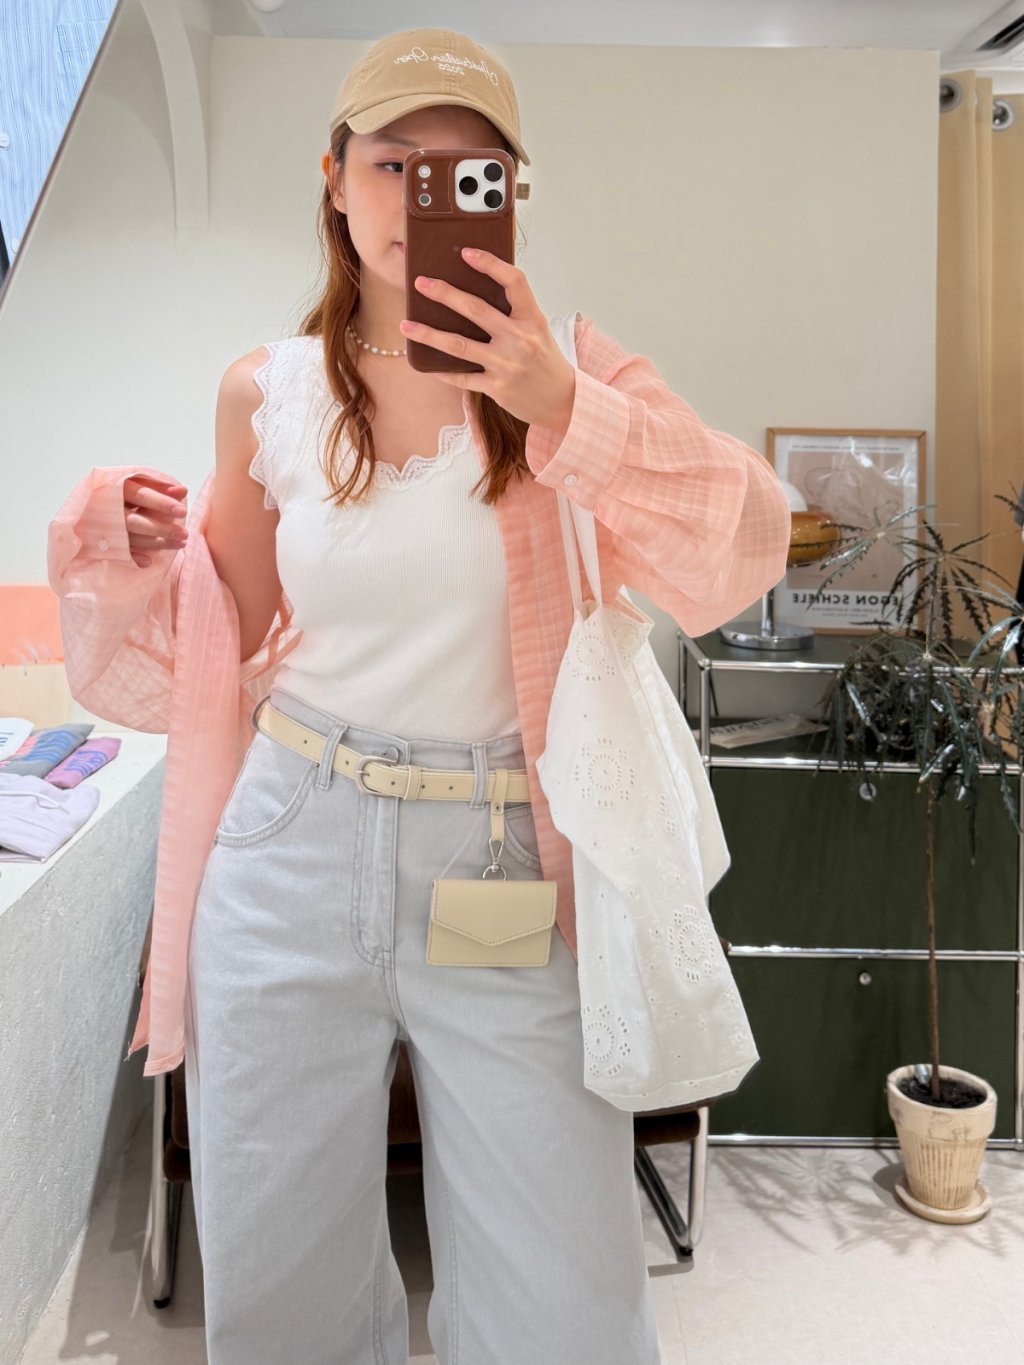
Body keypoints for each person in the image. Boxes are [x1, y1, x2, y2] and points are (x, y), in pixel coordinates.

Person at [48, 27, 791, 1365]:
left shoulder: (571, 368)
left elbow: (739, 543)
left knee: (565, 1298)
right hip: (290, 839)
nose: (420, 196)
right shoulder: (266, 393)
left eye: (467, 173)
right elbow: (232, 639)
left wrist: (562, 403)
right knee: (278, 1284)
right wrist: (132, 550)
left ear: (509, 197)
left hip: (497, 852)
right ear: (334, 179)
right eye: (395, 163)